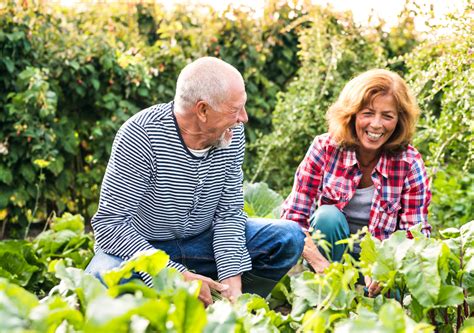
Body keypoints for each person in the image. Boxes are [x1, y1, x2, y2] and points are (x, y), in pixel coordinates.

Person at [85, 57, 305, 306]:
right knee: (101, 279)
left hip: (203, 245)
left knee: (288, 238)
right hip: (145, 248)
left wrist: (232, 285)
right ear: (202, 110)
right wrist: (173, 273)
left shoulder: (230, 134)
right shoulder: (141, 135)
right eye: (235, 109)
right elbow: (110, 225)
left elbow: (228, 215)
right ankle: (173, 298)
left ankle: (222, 302)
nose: (243, 118)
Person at [281, 69, 431, 297]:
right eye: (368, 113)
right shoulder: (325, 148)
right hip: (330, 257)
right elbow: (293, 219)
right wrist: (322, 267)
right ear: (352, 114)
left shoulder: (409, 163)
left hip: (380, 264)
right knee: (327, 217)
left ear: (399, 120)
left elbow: (414, 235)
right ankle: (328, 297)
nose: (377, 125)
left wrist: (384, 268)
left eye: (387, 116)